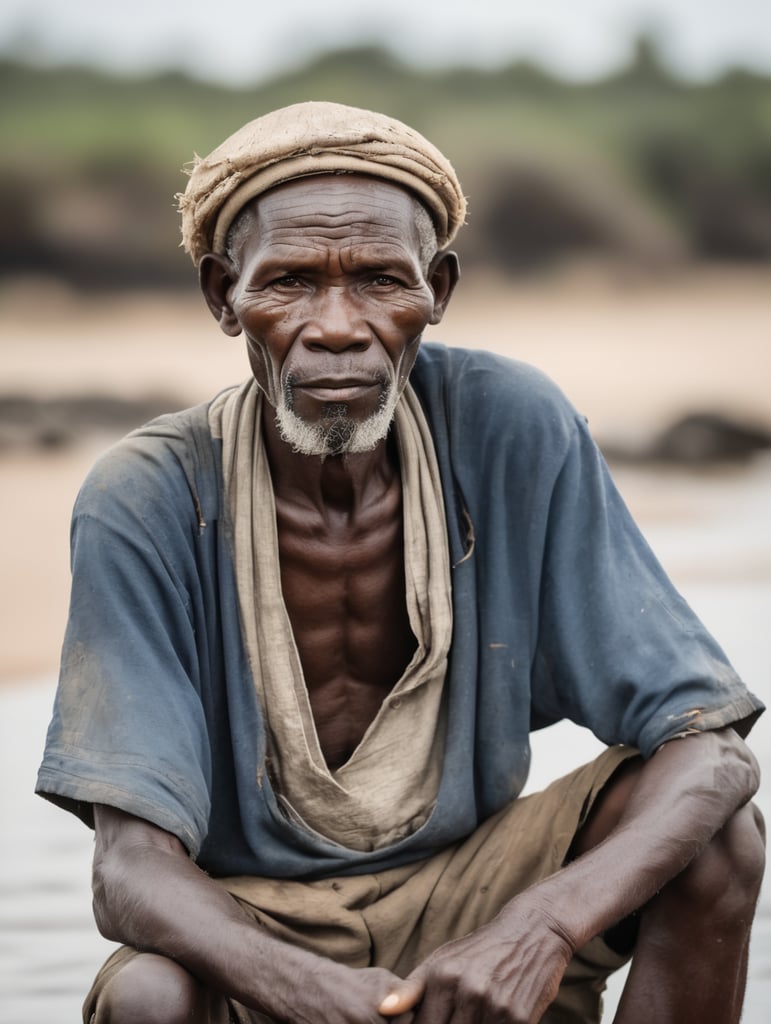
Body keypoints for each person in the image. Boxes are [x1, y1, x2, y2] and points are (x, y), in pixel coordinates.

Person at [37, 101, 765, 1024]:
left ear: (438, 290)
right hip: (248, 917)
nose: (338, 326)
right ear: (224, 296)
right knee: (148, 996)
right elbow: (129, 871)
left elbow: (713, 752)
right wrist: (314, 992)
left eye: (381, 280)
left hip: (475, 893)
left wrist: (538, 927)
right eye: (290, 282)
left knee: (718, 841)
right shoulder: (146, 497)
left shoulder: (511, 428)